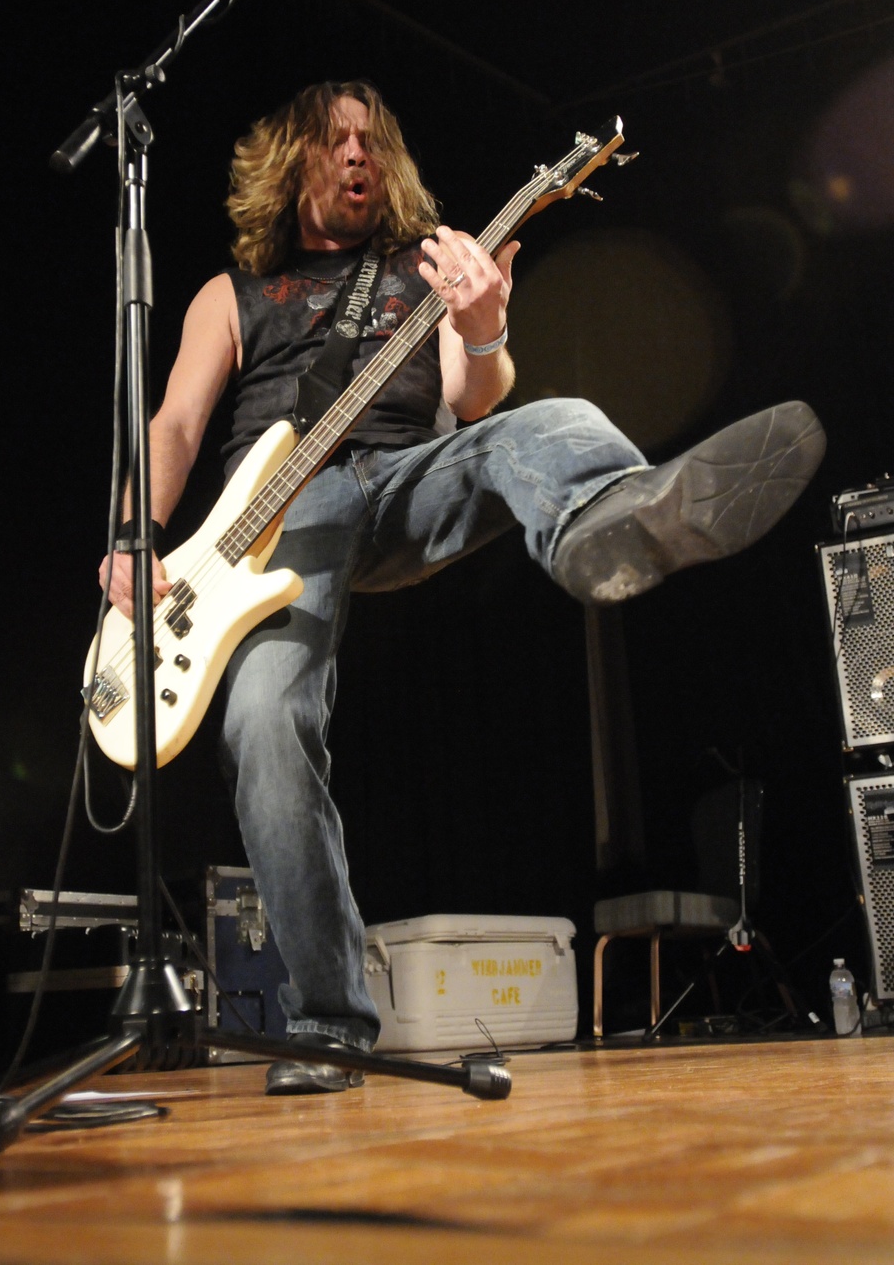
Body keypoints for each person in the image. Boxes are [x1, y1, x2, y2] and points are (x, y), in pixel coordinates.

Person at [101, 80, 825, 1094]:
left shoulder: (423, 267)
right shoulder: (231, 294)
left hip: (405, 480)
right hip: (270, 527)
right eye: (332, 139)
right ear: (290, 161)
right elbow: (175, 422)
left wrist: (483, 325)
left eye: (370, 139)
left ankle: (604, 523)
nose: (355, 153)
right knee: (261, 726)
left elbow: (470, 397)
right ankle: (330, 1023)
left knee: (545, 419)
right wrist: (136, 532)